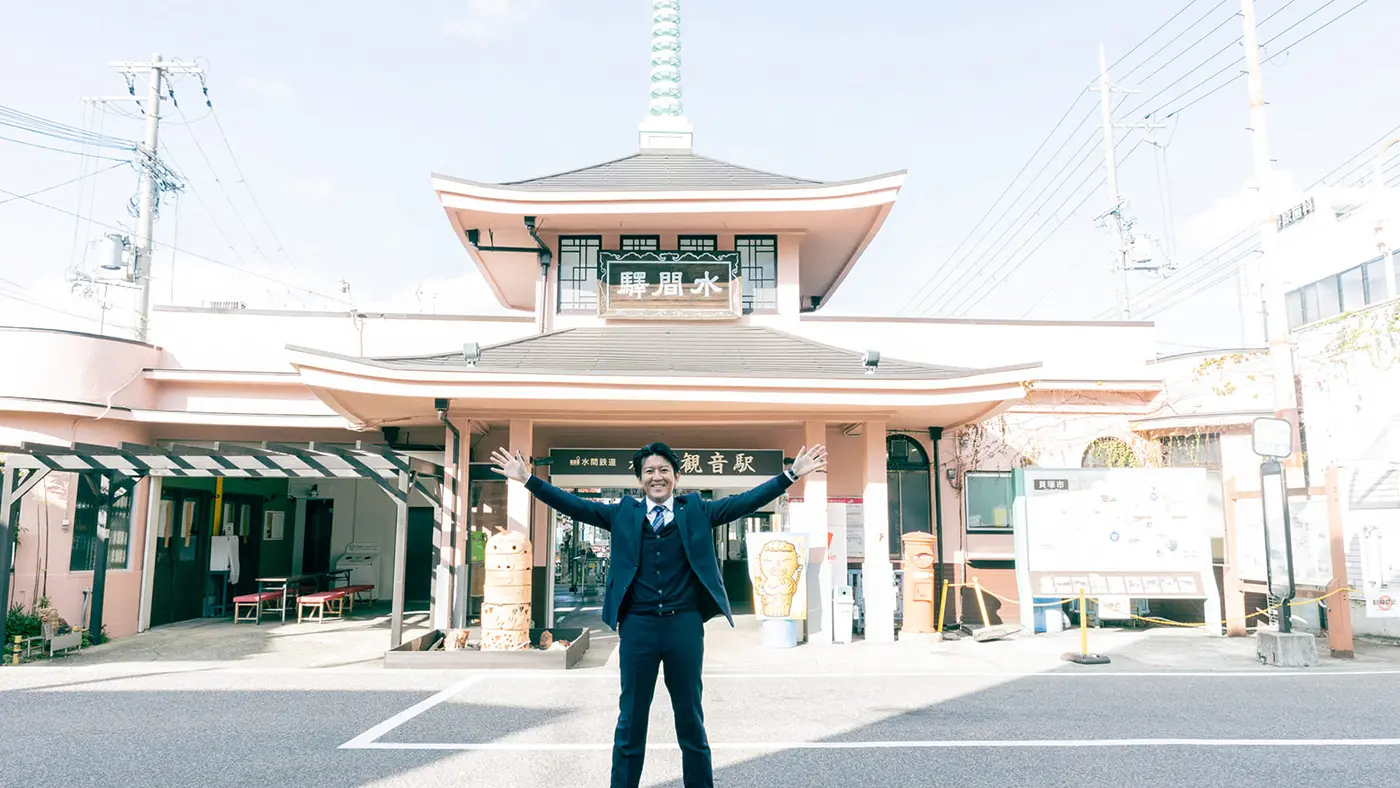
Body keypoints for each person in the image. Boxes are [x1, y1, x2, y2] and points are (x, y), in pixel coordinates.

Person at [491, 441, 827, 788]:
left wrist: (790, 475)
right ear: (640, 480)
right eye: (649, 471)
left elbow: (744, 502)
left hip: (684, 626)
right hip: (638, 627)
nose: (657, 476)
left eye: (664, 470)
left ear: (676, 477)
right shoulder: (622, 513)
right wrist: (528, 480)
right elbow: (574, 506)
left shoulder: (696, 509)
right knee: (630, 722)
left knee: (691, 720)